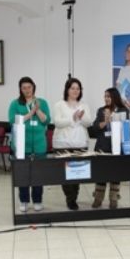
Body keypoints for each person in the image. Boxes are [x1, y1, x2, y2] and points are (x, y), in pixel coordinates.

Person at [8, 77, 50, 212]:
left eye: (29, 87)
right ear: (20, 89)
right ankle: (24, 200)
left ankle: (37, 200)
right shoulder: (15, 104)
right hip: (22, 147)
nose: (27, 90)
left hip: (39, 146)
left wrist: (37, 110)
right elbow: (13, 121)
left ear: (33, 87)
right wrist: (30, 113)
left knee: (38, 175)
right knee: (23, 175)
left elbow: (46, 121)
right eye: (24, 88)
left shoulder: (42, 102)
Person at [52, 78, 93, 210]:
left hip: (80, 144)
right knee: (65, 175)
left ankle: (73, 198)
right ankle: (70, 199)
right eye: (72, 88)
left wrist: (81, 117)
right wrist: (72, 118)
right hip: (62, 144)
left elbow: (88, 123)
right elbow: (57, 122)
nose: (75, 91)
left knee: (78, 173)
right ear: (67, 90)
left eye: (78, 88)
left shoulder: (84, 105)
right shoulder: (59, 104)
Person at [91, 88, 130, 208]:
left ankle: (113, 199)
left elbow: (125, 127)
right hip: (102, 146)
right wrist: (105, 121)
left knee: (115, 174)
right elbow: (95, 128)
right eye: (105, 96)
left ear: (114, 97)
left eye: (109, 96)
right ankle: (98, 198)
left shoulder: (123, 110)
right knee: (101, 174)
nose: (106, 98)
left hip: (116, 148)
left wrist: (113, 120)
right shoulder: (101, 110)